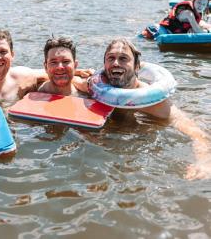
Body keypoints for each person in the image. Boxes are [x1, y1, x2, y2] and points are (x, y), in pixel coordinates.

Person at [74, 38, 210, 178]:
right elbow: (75, 82)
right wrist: (76, 72)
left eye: (123, 58)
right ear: (105, 64)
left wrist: (203, 161)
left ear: (137, 66)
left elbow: (194, 132)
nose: (116, 63)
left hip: (141, 151)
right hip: (104, 154)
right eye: (111, 58)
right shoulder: (97, 89)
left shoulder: (153, 102)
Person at [142, 0, 211, 39]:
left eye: (203, 4)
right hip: (157, 31)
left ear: (206, 7)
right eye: (199, 2)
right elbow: (198, 30)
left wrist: (192, 28)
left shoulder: (198, 13)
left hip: (169, 33)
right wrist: (206, 31)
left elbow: (200, 26)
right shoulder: (188, 13)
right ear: (193, 1)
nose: (200, 6)